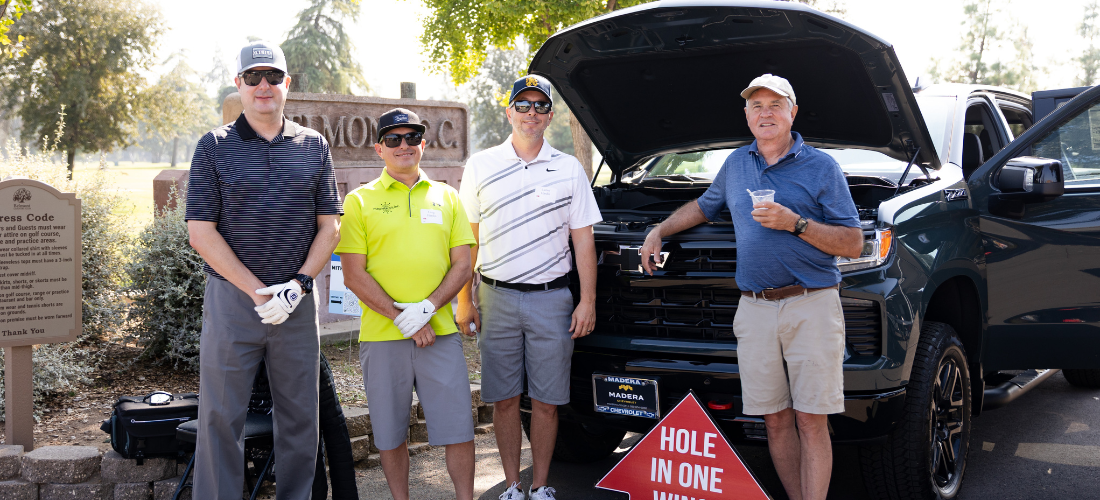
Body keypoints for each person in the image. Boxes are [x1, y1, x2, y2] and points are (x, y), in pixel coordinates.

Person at [638, 74, 863, 500]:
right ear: (746, 115)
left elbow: (853, 243)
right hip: (755, 309)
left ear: (792, 112)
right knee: (774, 419)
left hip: (810, 304)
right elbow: (705, 206)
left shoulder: (822, 167)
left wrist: (793, 222)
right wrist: (659, 229)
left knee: (810, 419)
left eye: (775, 105)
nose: (766, 113)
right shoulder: (737, 163)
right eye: (756, 105)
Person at [185, 41, 342, 499]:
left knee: (300, 419)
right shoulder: (214, 146)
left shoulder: (313, 146)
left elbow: (330, 227)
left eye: (273, 76)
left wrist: (297, 286)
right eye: (252, 77)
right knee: (220, 418)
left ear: (287, 84)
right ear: (239, 84)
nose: (263, 86)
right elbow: (201, 233)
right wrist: (258, 293)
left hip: (295, 303)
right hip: (234, 303)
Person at [456, 75, 603, 500]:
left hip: (552, 299)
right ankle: (512, 486)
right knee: (504, 399)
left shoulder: (569, 168)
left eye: (540, 106)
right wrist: (466, 300)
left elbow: (583, 240)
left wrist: (587, 300)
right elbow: (469, 239)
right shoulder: (481, 165)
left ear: (550, 116)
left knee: (547, 400)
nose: (531, 113)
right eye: (523, 105)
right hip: (496, 297)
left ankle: (540, 485)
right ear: (509, 112)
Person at [336, 108, 477, 500]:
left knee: (458, 429)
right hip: (383, 337)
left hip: (441, 335)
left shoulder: (448, 197)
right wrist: (407, 319)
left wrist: (428, 308)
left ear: (423, 145)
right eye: (394, 140)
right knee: (389, 432)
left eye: (412, 138)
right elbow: (353, 275)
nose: (404, 146)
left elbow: (463, 264)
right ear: (379, 148)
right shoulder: (359, 201)